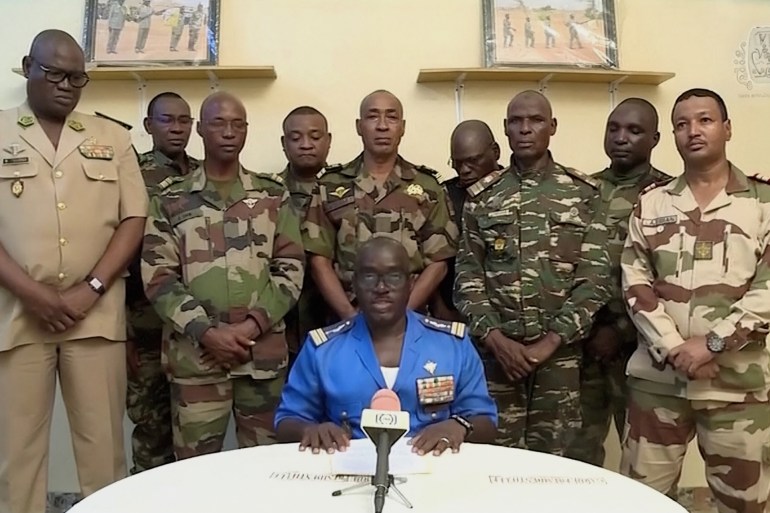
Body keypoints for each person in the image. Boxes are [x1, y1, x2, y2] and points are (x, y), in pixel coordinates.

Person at [0, 30, 148, 513]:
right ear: (28, 66)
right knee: (15, 458)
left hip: (95, 317)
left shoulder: (114, 137)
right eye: (55, 73)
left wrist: (93, 288)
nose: (67, 85)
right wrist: (32, 293)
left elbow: (133, 219)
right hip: (17, 317)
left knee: (104, 455)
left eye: (77, 78)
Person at [621, 88, 770, 513]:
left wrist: (712, 343)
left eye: (705, 120)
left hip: (737, 388)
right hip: (659, 383)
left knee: (744, 506)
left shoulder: (763, 202)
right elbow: (635, 282)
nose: (693, 131)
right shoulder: (652, 202)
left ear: (727, 129)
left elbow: (767, 288)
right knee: (641, 503)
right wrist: (673, 347)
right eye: (682, 124)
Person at [142, 91, 304, 460]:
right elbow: (158, 275)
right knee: (194, 474)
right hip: (196, 361)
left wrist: (250, 328)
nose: (229, 132)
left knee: (268, 469)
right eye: (218, 123)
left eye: (238, 124)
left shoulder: (272, 196)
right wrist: (208, 333)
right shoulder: (170, 199)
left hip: (260, 360)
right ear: (201, 129)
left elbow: (291, 267)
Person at [454, 90, 611, 456]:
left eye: (536, 120)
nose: (526, 129)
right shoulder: (483, 197)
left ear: (552, 127)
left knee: (557, 465)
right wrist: (496, 340)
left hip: (561, 358)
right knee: (492, 459)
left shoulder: (584, 193)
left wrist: (551, 342)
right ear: (505, 130)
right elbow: (467, 277)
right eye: (516, 121)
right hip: (497, 359)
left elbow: (595, 277)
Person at [275, 237, 497, 454]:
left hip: (432, 472)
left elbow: (486, 421)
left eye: (393, 276)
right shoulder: (322, 349)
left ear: (410, 284)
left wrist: (459, 426)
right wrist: (311, 429)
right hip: (347, 471)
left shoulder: (452, 345)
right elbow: (286, 420)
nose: (381, 287)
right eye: (370, 276)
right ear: (355, 284)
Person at [564, 98, 672, 467]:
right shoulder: (582, 190)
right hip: (583, 346)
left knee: (645, 458)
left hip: (642, 349)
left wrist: (621, 330)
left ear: (655, 139)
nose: (621, 138)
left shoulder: (670, 197)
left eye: (634, 130)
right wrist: (589, 329)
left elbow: (671, 279)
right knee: (576, 453)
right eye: (614, 128)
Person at [303, 90, 458, 324]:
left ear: (402, 127)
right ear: (359, 126)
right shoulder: (330, 185)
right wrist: (349, 317)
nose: (382, 126)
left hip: (410, 320)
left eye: (391, 117)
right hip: (345, 321)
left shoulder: (427, 187)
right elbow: (318, 260)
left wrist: (401, 315)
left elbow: (438, 262)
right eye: (373, 117)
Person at [124, 91, 200, 475]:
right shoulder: (131, 174)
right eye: (167, 120)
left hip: (197, 329)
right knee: (152, 432)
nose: (176, 128)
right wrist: (123, 334)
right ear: (148, 126)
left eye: (184, 120)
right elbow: (117, 253)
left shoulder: (207, 173)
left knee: (195, 435)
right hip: (147, 329)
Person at [432, 120, 502, 322]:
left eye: (473, 161)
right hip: (454, 313)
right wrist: (440, 309)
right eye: (457, 163)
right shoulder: (444, 196)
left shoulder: (517, 190)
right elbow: (430, 258)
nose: (464, 170)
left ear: (495, 152)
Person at [279, 106, 332, 364]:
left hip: (337, 318)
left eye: (315, 136)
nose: (306, 145)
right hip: (282, 327)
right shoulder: (266, 194)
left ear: (329, 141)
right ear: (284, 143)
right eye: (296, 137)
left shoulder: (348, 189)